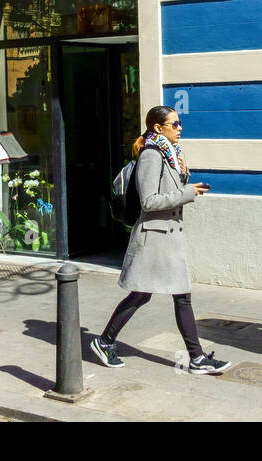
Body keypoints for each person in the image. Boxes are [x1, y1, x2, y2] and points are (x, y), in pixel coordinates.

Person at [90, 105, 231, 374]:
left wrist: (185, 185)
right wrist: (187, 192)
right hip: (154, 237)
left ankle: (195, 358)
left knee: (170, 296)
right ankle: (105, 341)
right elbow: (149, 201)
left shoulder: (172, 155)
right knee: (147, 295)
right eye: (174, 124)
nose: (180, 128)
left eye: (179, 124)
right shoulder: (152, 155)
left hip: (168, 236)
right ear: (158, 127)